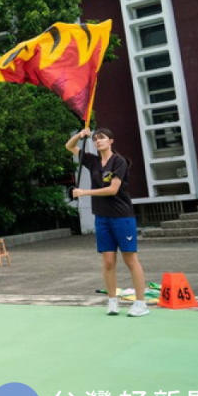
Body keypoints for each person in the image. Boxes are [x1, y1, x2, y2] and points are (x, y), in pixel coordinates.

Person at [66, 127, 149, 317]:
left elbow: (113, 190)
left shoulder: (119, 162)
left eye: (102, 138)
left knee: (130, 259)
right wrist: (79, 136)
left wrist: (84, 192)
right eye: (95, 139)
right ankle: (112, 301)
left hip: (122, 217)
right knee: (108, 262)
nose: (97, 141)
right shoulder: (92, 161)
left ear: (111, 141)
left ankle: (141, 303)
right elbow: (69, 147)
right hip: (102, 217)